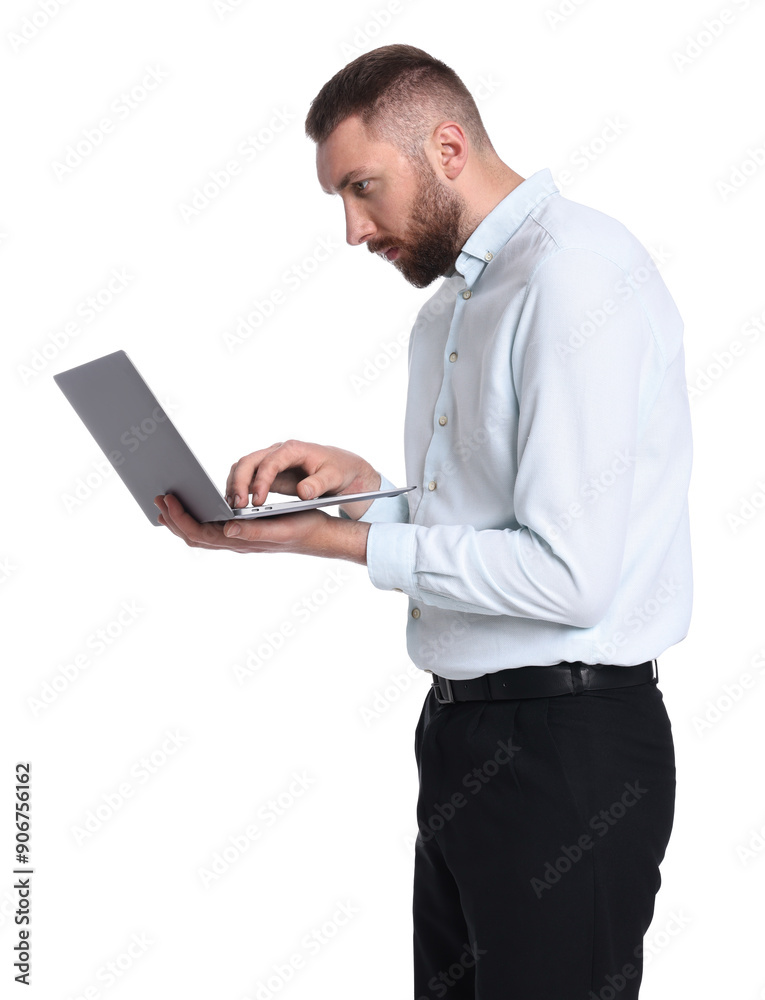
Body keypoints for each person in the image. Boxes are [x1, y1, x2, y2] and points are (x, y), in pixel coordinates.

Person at [154, 44, 692, 1000]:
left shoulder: (572, 278)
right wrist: (364, 497)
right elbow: (488, 526)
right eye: (339, 199)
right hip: (461, 738)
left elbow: (567, 577)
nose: (352, 230)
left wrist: (347, 540)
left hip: (566, 748)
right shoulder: (452, 309)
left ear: (447, 147)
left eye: (362, 188)